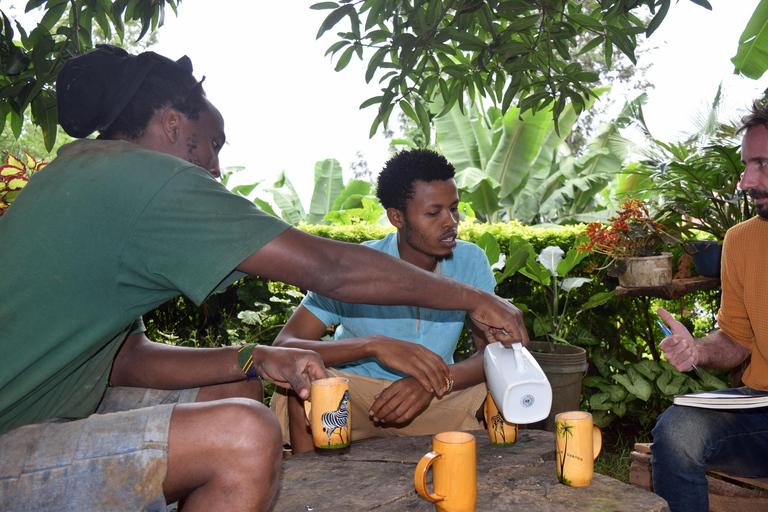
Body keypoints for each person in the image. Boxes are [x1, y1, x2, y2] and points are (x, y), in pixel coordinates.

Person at [0, 45, 527, 512]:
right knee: (246, 435)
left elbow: (128, 360)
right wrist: (476, 299)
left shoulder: (85, 176)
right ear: (172, 124)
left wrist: (259, 356)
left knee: (239, 384)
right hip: (14, 437)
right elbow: (332, 269)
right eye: (212, 144)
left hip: (47, 411)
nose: (215, 168)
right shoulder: (143, 178)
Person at [271, 149, 495, 453]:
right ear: (396, 217)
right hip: (354, 402)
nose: (450, 222)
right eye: (434, 213)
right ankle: (311, 488)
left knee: (498, 387)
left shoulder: (471, 261)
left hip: (435, 398)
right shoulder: (354, 268)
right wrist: (373, 345)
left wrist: (434, 381)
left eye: (454, 208)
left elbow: (493, 353)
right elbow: (286, 347)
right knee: (304, 387)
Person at [651, 100, 768, 512]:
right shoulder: (741, 240)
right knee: (677, 431)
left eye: (763, 164)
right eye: (746, 164)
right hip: (761, 410)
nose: (746, 180)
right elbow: (738, 337)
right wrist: (699, 350)